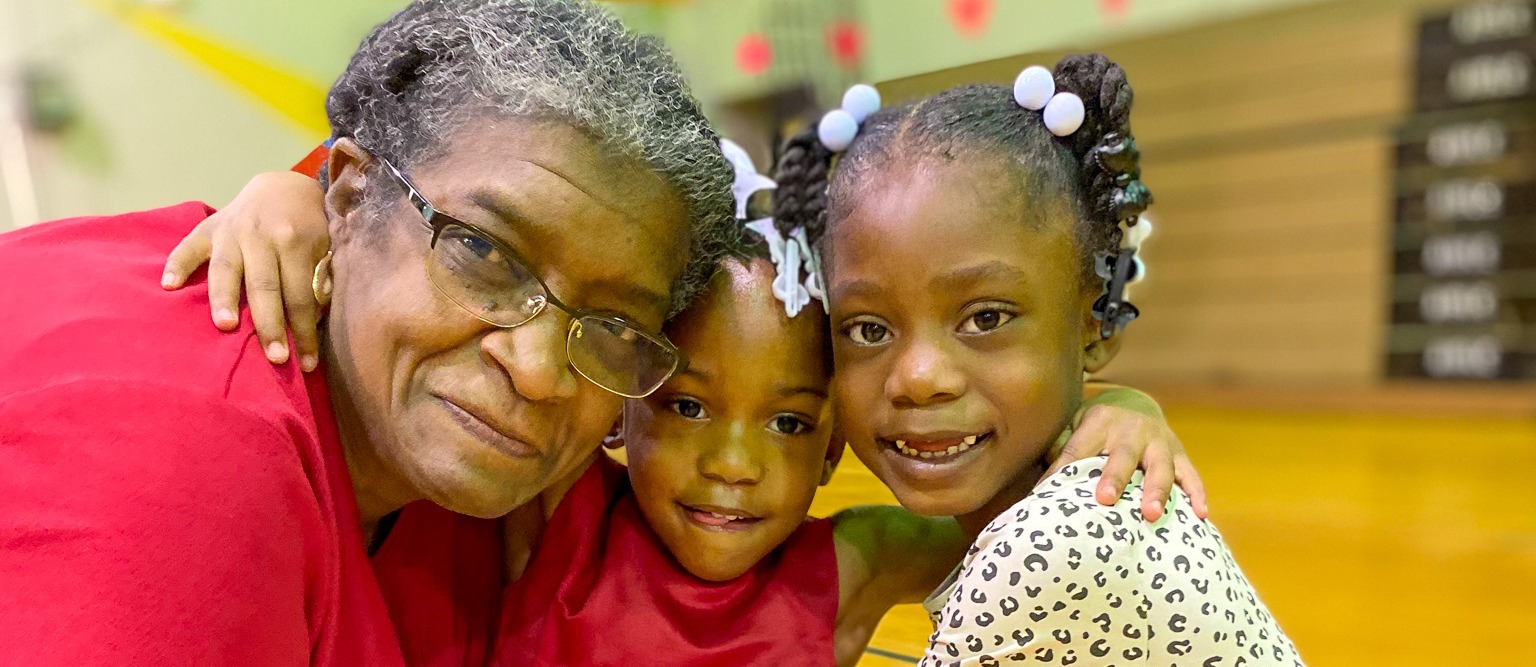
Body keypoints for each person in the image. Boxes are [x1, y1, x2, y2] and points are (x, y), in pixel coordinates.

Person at [159, 141, 1203, 667]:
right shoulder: (563, 512)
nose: (733, 463)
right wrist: (290, 194)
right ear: (620, 408)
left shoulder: (850, 566)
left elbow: (1014, 492)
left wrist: (1126, 410)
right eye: (691, 407)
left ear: (835, 435)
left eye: (789, 423)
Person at [0, 1, 736, 664]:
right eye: (484, 252)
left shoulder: (473, 480)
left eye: (615, 322)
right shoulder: (184, 461)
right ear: (349, 195)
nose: (540, 370)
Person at [765, 55, 1305, 665]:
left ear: (1093, 323)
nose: (918, 378)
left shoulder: (1050, 546)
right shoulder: (1036, 505)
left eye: (986, 318)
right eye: (867, 328)